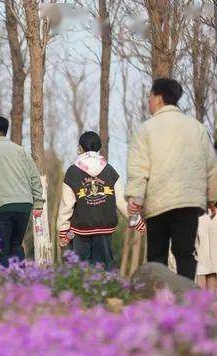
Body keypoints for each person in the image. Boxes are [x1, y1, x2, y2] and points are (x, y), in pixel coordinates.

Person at [126, 78, 217, 280]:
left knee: (156, 255)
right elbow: (211, 166)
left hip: (159, 203)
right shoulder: (197, 128)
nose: (148, 101)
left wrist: (135, 198)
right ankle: (186, 301)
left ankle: (159, 302)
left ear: (159, 98)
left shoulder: (146, 130)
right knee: (185, 253)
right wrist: (212, 198)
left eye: (150, 96)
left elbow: (139, 168)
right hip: (188, 202)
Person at [57, 131, 145, 269]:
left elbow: (66, 206)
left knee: (80, 269)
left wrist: (63, 231)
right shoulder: (110, 170)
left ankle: (81, 290)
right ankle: (108, 289)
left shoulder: (72, 172)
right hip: (104, 227)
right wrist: (136, 220)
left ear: (80, 148)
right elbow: (121, 201)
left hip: (80, 229)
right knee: (105, 267)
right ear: (98, 147)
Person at [0, 116, 44, 267]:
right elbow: (34, 177)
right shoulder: (21, 151)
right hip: (24, 205)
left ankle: (4, 285)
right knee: (16, 245)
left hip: (1, 205)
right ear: (6, 131)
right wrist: (38, 203)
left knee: (2, 249)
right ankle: (21, 282)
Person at [196, 141, 217, 291]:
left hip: (203, 214)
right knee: (205, 263)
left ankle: (205, 307)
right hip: (203, 214)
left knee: (205, 263)